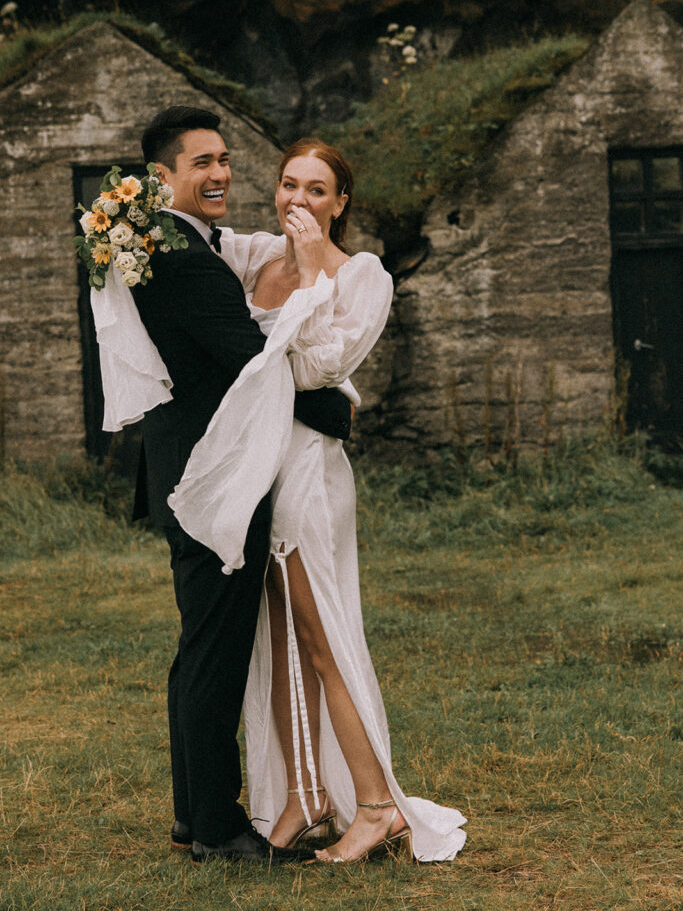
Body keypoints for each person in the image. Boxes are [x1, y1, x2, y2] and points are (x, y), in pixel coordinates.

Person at [169, 139, 468, 863]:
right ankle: (304, 795)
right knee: (276, 642)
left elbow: (320, 365)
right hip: (255, 471)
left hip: (306, 468)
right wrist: (120, 215)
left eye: (315, 190)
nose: (297, 201)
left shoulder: (359, 274)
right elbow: (186, 228)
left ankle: (374, 809)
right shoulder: (251, 258)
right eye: (287, 185)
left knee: (321, 639)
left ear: (339, 203)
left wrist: (307, 276)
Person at [128, 107, 353, 866]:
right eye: (201, 163)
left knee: (199, 646)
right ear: (163, 177)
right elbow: (249, 362)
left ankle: (194, 816)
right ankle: (220, 828)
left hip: (186, 465)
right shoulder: (182, 258)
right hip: (213, 473)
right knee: (216, 650)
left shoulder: (167, 242)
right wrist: (336, 409)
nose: (220, 172)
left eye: (224, 159)